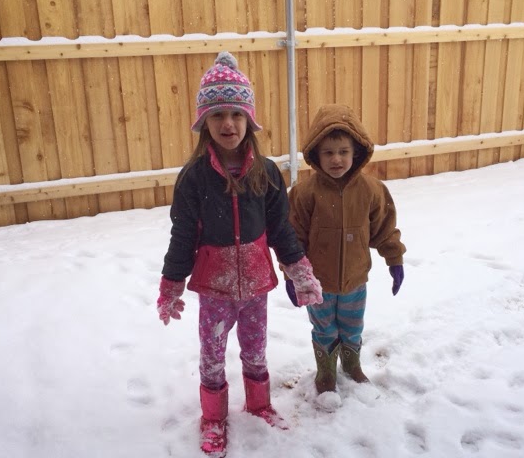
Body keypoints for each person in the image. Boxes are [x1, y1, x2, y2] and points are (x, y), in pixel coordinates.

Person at [156, 51, 323, 456]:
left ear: (249, 119)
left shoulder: (266, 172)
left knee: (255, 348)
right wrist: (171, 285)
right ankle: (213, 417)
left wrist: (299, 271)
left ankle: (259, 404)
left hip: (256, 283)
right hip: (214, 286)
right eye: (217, 115)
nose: (227, 124)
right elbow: (182, 237)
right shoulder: (193, 179)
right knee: (212, 353)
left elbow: (280, 229)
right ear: (204, 122)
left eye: (235, 114)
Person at [286, 103, 406, 397]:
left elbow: (384, 228)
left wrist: (394, 260)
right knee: (324, 329)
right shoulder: (305, 193)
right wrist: (292, 274)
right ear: (316, 155)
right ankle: (326, 372)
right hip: (317, 282)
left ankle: (352, 364)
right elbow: (292, 237)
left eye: (343, 151)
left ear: (356, 153)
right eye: (328, 152)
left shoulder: (371, 190)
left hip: (355, 279)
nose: (336, 159)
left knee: (353, 326)